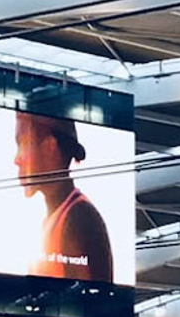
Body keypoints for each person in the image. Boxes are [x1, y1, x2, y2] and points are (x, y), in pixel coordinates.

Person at [15, 112, 115, 283]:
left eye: (22, 143)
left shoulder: (79, 218)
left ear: (49, 147)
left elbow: (88, 302)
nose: (16, 159)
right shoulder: (57, 217)